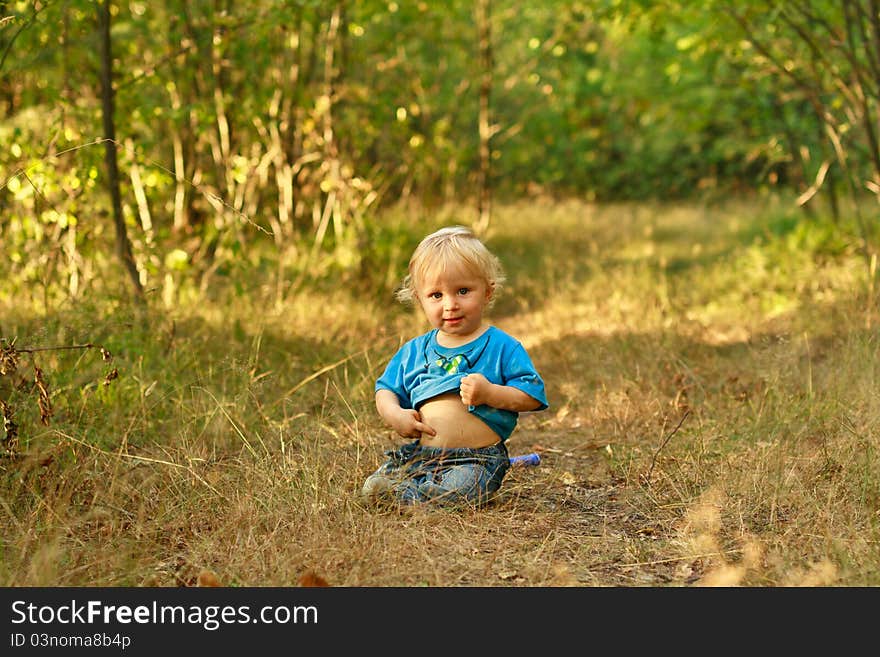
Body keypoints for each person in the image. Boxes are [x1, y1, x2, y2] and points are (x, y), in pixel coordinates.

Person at [362, 225, 548, 507]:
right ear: (419, 300)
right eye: (436, 295)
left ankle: (411, 497)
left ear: (487, 292)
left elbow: (532, 396)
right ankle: (406, 490)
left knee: (463, 487)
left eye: (463, 291)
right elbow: (385, 389)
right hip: (422, 456)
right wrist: (396, 415)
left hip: (476, 458)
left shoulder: (502, 346)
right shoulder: (414, 351)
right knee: (376, 483)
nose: (450, 304)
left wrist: (491, 394)